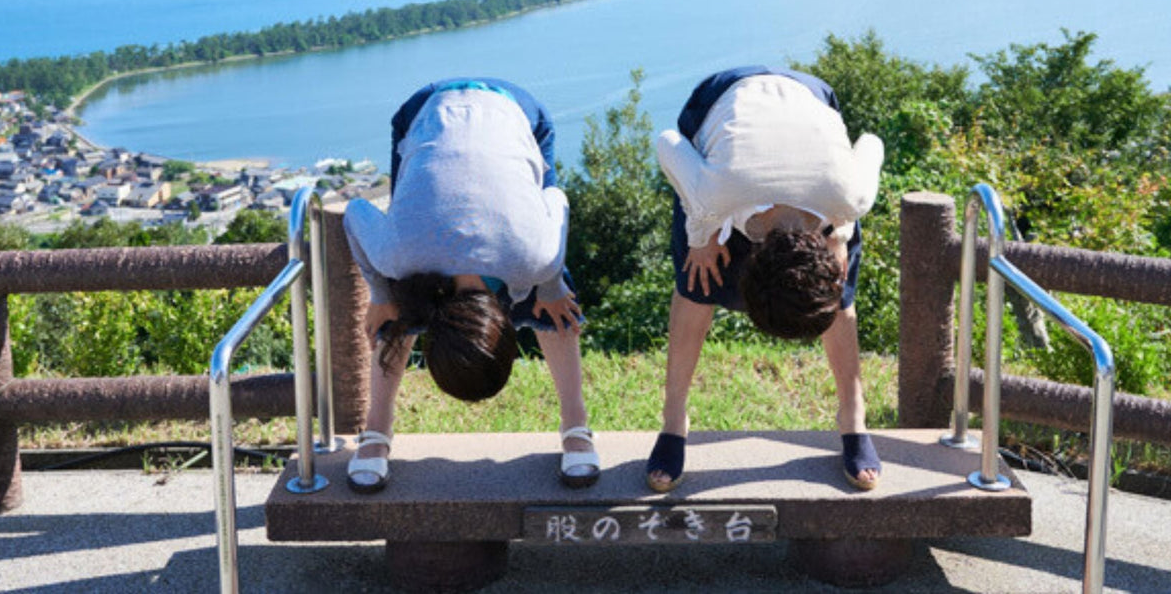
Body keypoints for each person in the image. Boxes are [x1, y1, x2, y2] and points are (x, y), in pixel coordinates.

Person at [341, 77, 600, 494]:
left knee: (556, 293)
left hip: (504, 118)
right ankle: (376, 434)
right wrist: (381, 295)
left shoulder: (534, 257)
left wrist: (551, 285)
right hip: (434, 118)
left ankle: (576, 425)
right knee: (396, 296)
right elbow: (354, 212)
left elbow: (558, 202)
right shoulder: (400, 255)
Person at [647, 66, 885, 492]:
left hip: (811, 112)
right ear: (749, 262)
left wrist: (842, 230)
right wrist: (701, 236)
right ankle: (674, 419)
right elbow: (669, 142)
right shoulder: (711, 196)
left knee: (838, 297)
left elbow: (870, 145)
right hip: (721, 99)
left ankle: (853, 414)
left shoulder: (850, 196)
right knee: (698, 281)